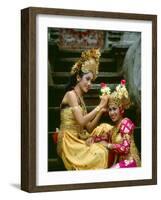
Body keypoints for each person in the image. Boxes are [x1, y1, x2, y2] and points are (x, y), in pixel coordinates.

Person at [57, 48, 112, 170]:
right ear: (78, 77)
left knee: (104, 140)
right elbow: (81, 121)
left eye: (91, 81)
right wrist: (99, 106)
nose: (89, 84)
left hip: (78, 138)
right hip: (68, 142)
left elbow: (89, 127)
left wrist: (101, 111)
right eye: (87, 79)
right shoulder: (71, 94)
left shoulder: (80, 99)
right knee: (100, 153)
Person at [86, 80, 141, 168]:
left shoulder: (126, 122)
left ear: (121, 109)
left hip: (131, 162)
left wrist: (108, 145)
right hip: (120, 163)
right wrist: (93, 138)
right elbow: (103, 137)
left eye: (114, 109)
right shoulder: (114, 129)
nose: (111, 113)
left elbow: (125, 148)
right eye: (110, 110)